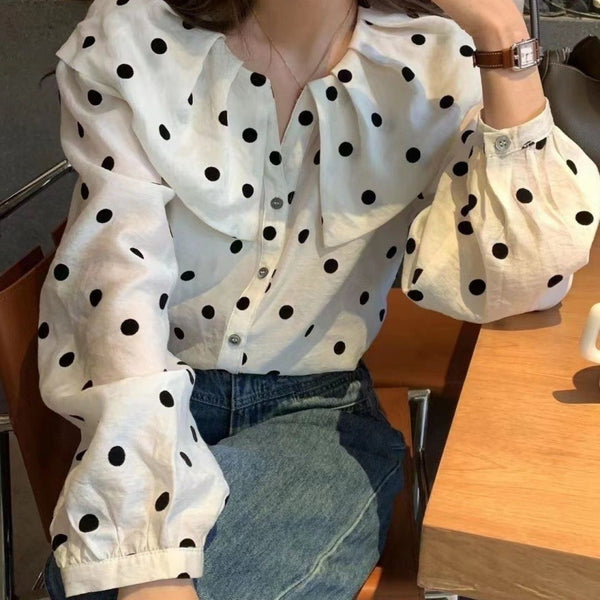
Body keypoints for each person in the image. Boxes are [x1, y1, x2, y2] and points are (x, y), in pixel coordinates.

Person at [39, 0, 599, 599]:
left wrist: (502, 32)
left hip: (318, 417)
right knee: (120, 578)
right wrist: (147, 565)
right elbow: (113, 295)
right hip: (153, 404)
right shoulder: (135, 39)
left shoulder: (433, 61)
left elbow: (528, 279)